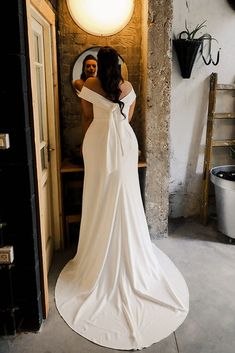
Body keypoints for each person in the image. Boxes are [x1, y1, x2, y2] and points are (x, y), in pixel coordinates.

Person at [55, 46, 189, 350]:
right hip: (126, 145)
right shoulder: (128, 88)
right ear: (117, 65)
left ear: (98, 66)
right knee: (125, 194)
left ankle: (99, 250)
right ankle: (127, 249)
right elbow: (126, 120)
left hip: (99, 144)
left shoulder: (89, 85)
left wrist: (93, 147)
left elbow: (87, 119)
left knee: (100, 195)